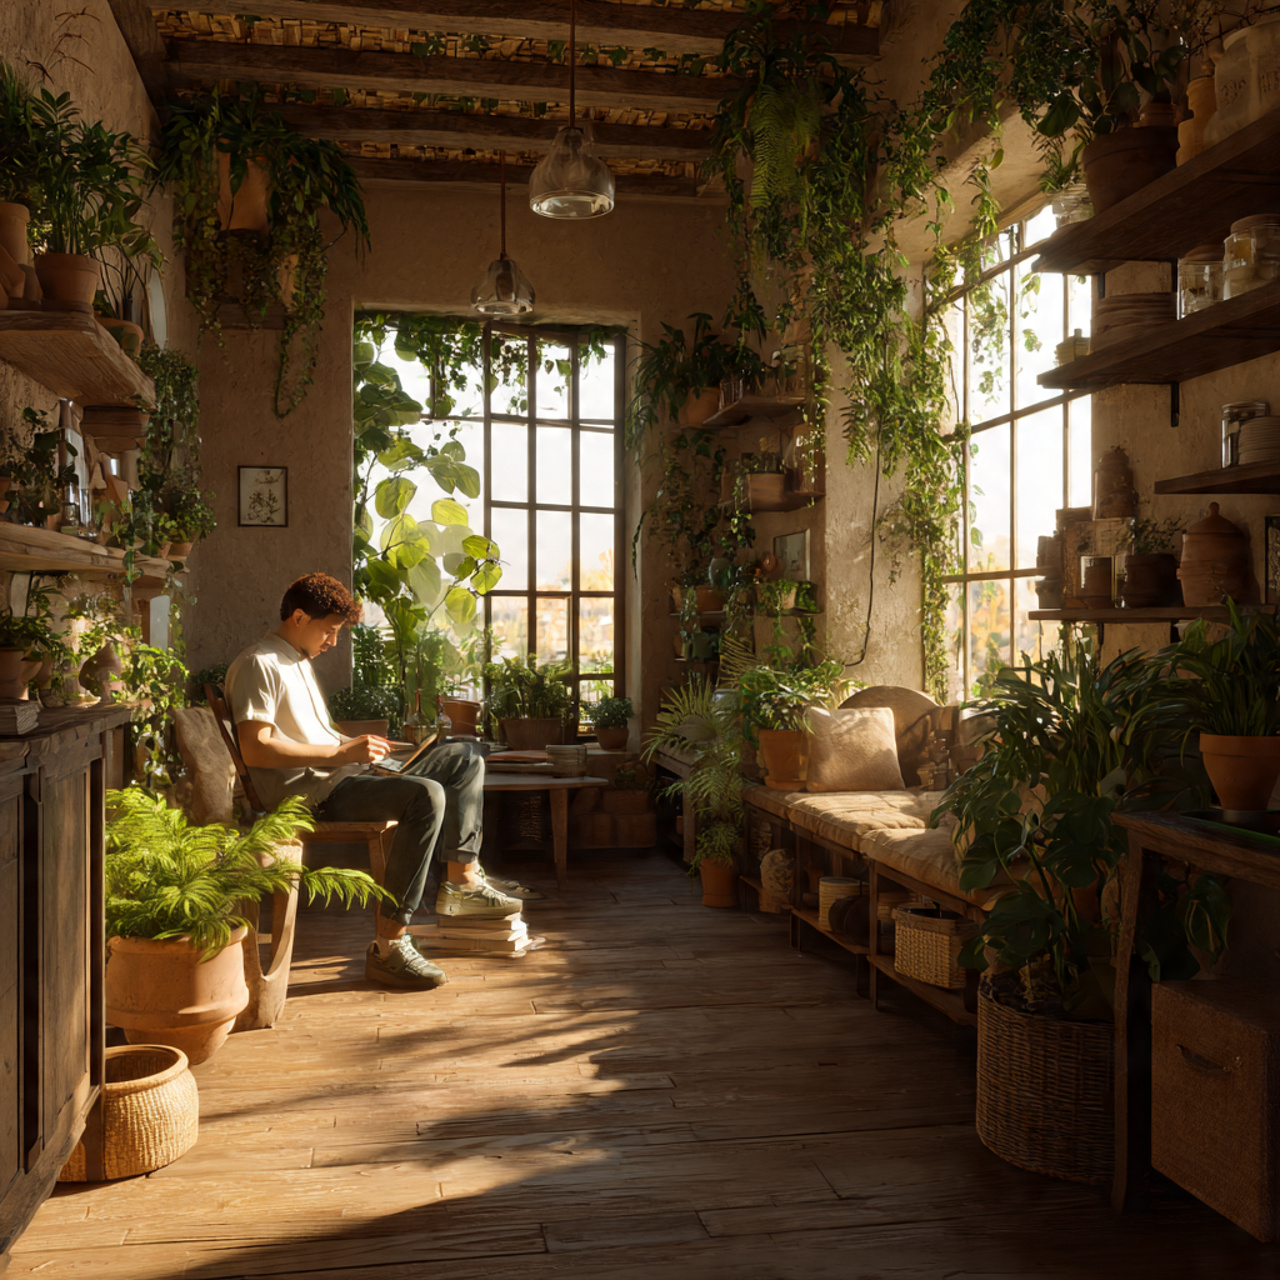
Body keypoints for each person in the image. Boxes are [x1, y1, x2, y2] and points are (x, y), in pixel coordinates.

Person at [224, 572, 522, 992]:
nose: (333, 641)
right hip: (312, 795)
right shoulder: (260, 664)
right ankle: (390, 947)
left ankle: (462, 883)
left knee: (465, 756)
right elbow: (256, 748)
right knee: (426, 796)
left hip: (345, 777)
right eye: (329, 630)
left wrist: (365, 747)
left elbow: (314, 737)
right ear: (298, 617)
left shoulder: (296, 662)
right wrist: (340, 754)